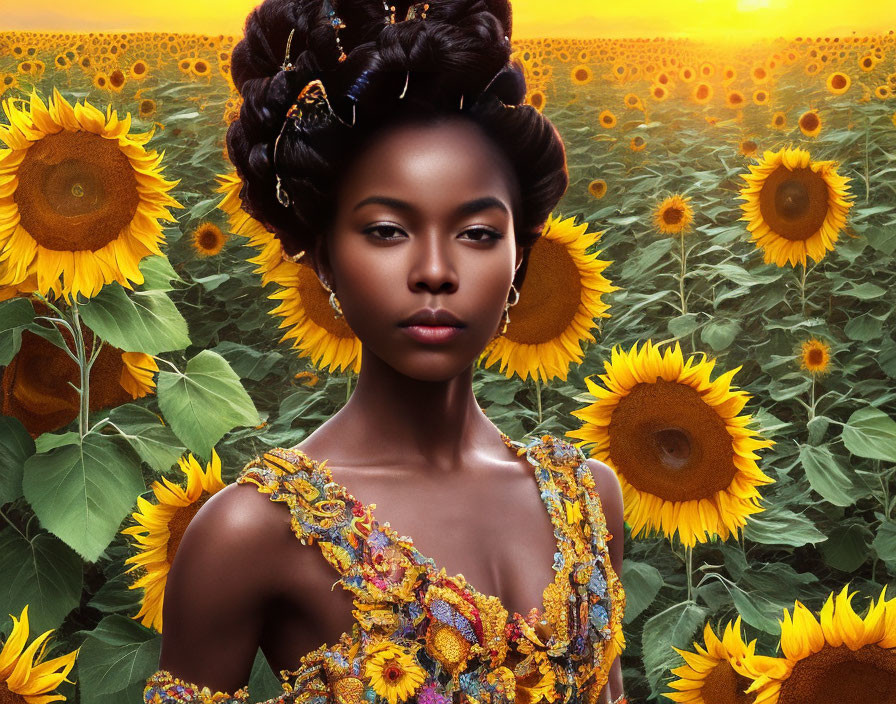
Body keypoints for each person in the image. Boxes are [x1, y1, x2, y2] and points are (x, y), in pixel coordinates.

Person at [142, 1, 627, 703]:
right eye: (387, 230)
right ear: (326, 260)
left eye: (479, 233)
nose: (436, 270)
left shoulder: (589, 501)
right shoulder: (253, 532)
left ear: (521, 262)